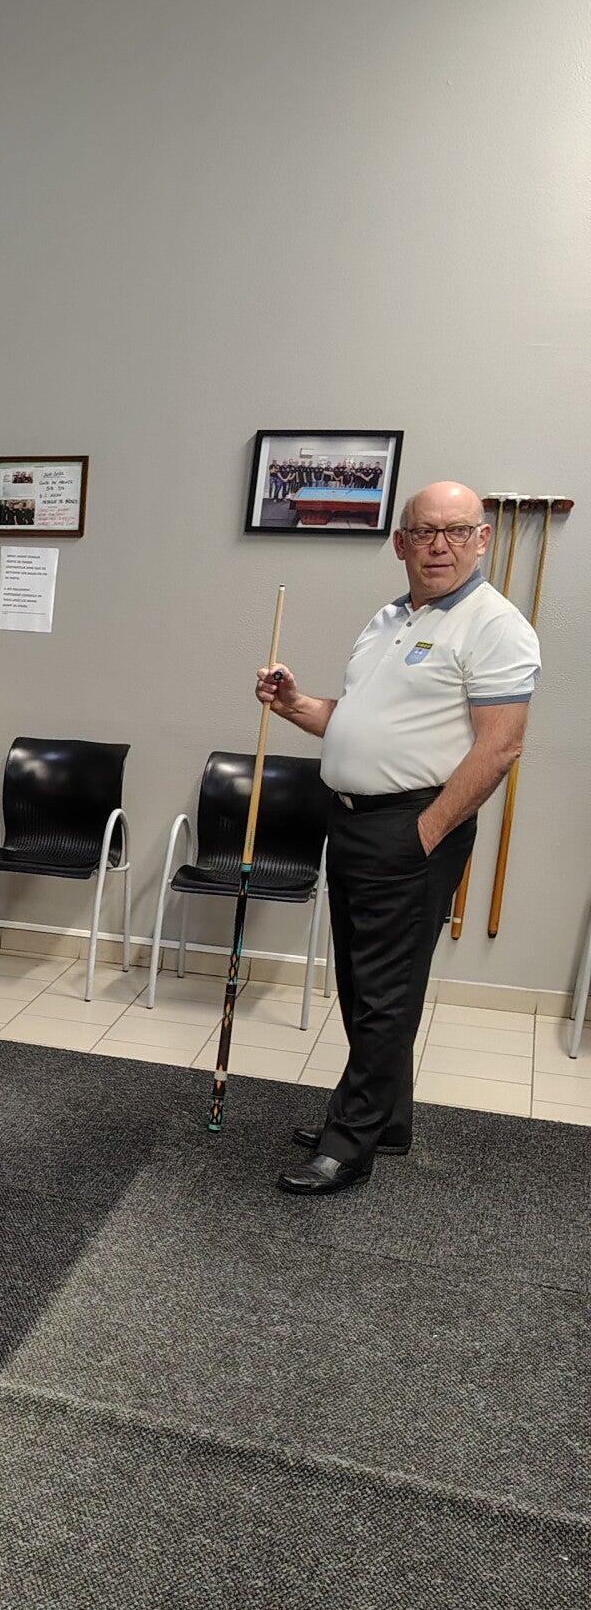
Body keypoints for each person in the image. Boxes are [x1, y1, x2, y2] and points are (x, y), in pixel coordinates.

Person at [257, 480, 538, 1196]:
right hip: (351, 820)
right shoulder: (389, 618)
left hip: (411, 827)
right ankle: (387, 1120)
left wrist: (425, 834)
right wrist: (295, 704)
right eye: (424, 532)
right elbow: (355, 720)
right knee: (363, 985)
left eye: (456, 530)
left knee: (385, 993)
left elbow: (501, 745)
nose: (439, 546)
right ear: (400, 543)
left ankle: (348, 1143)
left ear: (482, 539)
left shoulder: (494, 624)